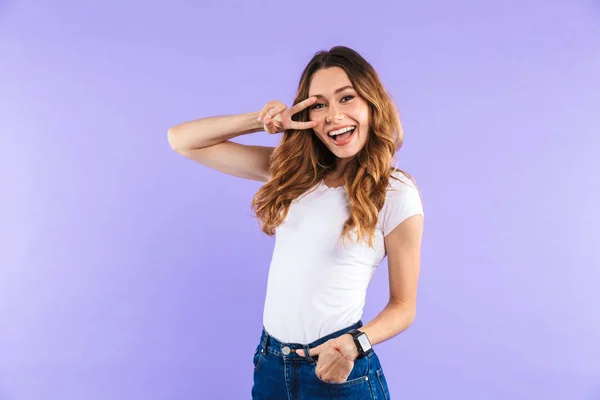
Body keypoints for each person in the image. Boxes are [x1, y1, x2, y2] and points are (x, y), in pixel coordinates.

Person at [167, 46, 424, 400]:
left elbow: (403, 306)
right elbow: (182, 141)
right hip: (272, 364)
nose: (334, 116)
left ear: (371, 103)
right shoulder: (292, 174)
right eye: (319, 104)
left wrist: (355, 344)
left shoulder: (396, 192)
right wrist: (262, 121)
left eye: (346, 98)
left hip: (339, 368)